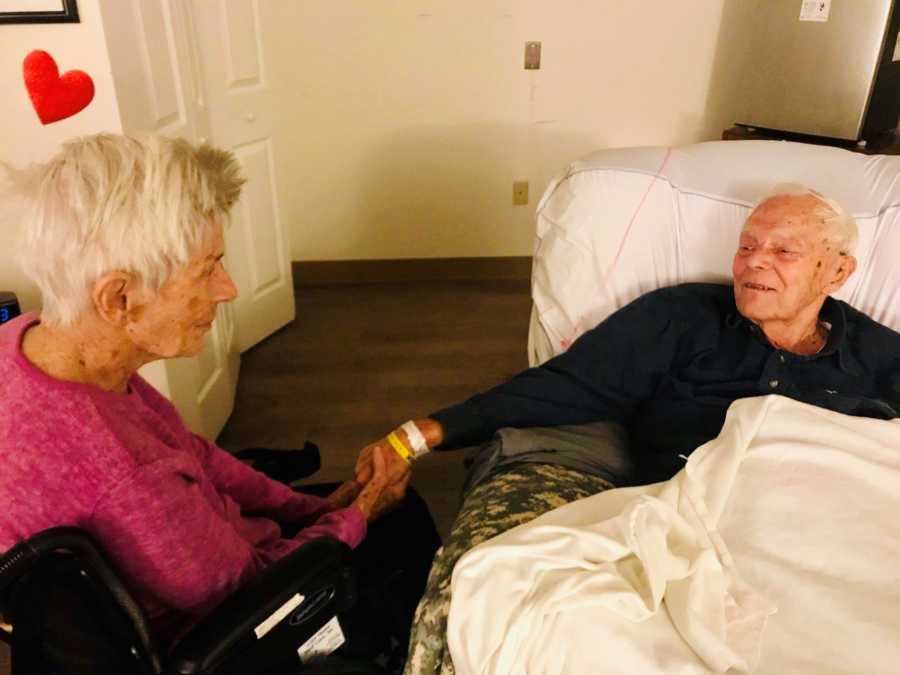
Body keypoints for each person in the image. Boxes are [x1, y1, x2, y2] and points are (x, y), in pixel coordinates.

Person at [0, 134, 440, 667]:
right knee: (407, 527)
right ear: (119, 298)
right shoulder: (123, 476)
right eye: (207, 269)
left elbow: (191, 453)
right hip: (235, 631)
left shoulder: (26, 341)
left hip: (193, 565)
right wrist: (362, 511)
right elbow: (252, 590)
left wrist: (318, 508)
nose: (228, 288)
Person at [355, 184, 900, 490]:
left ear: (837, 273)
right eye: (746, 245)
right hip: (676, 517)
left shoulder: (877, 354)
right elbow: (562, 387)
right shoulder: (679, 317)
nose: (754, 262)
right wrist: (415, 438)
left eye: (784, 251)